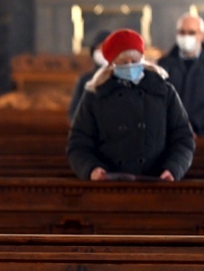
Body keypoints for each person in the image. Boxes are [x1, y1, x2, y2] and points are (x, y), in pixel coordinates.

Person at [67, 28, 195, 181]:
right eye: (122, 62)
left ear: (142, 59)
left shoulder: (164, 91)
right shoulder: (96, 95)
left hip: (156, 182)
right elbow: (79, 144)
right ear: (111, 64)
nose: (129, 66)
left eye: (134, 61)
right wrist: (91, 169)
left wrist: (173, 169)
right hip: (109, 184)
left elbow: (183, 138)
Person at [157, 13, 204, 137]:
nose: (186, 36)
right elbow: (159, 97)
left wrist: (194, 123)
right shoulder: (164, 63)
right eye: (182, 32)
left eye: (191, 33)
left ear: (202, 35)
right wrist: (177, 124)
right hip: (171, 133)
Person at [68, 29, 111, 121]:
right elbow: (74, 112)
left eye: (105, 47)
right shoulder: (85, 80)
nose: (101, 51)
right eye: (98, 48)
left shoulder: (121, 78)